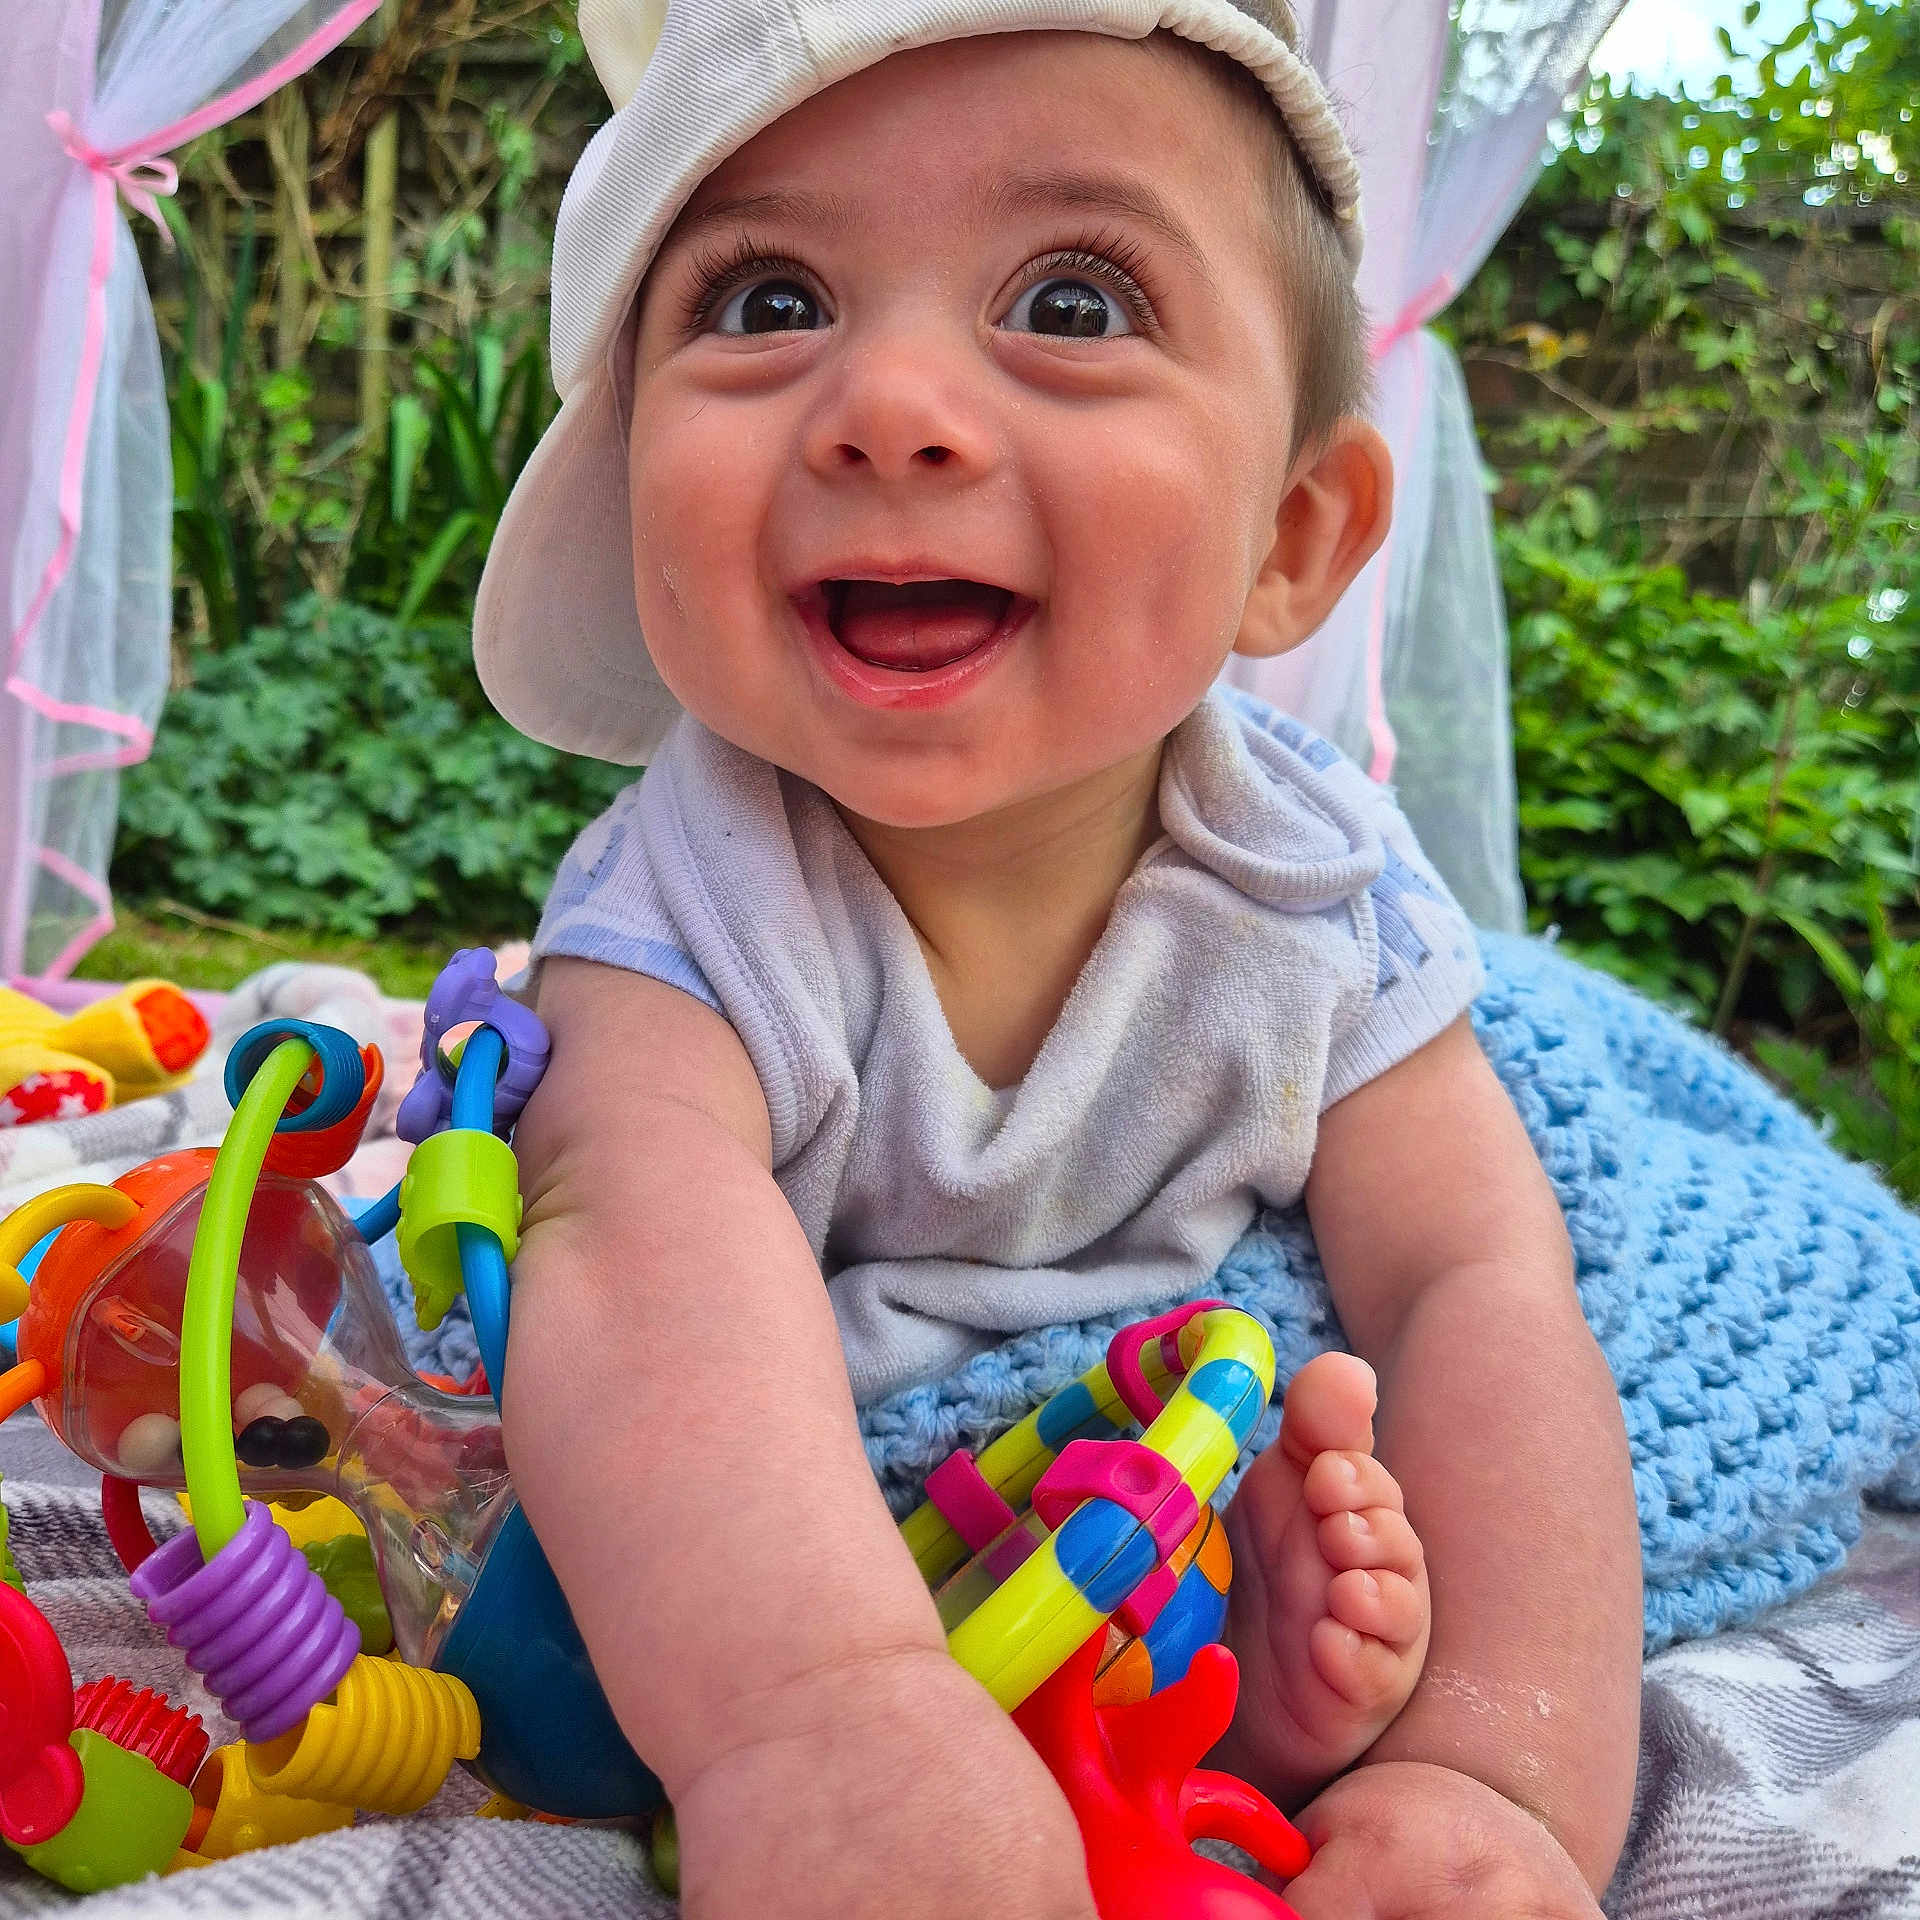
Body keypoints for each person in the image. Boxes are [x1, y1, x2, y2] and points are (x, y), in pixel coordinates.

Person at [475, 3, 1643, 1914]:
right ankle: (1174, 1663)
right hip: (902, 1523)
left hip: (1200, 1394)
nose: (890, 404)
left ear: (1291, 533)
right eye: (767, 301)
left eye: (1076, 303)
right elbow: (644, 1262)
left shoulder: (1311, 899)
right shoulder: (684, 913)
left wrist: (1502, 1772)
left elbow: (1474, 1285)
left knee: (1405, 1397)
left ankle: (1263, 1675)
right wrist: (826, 1718)